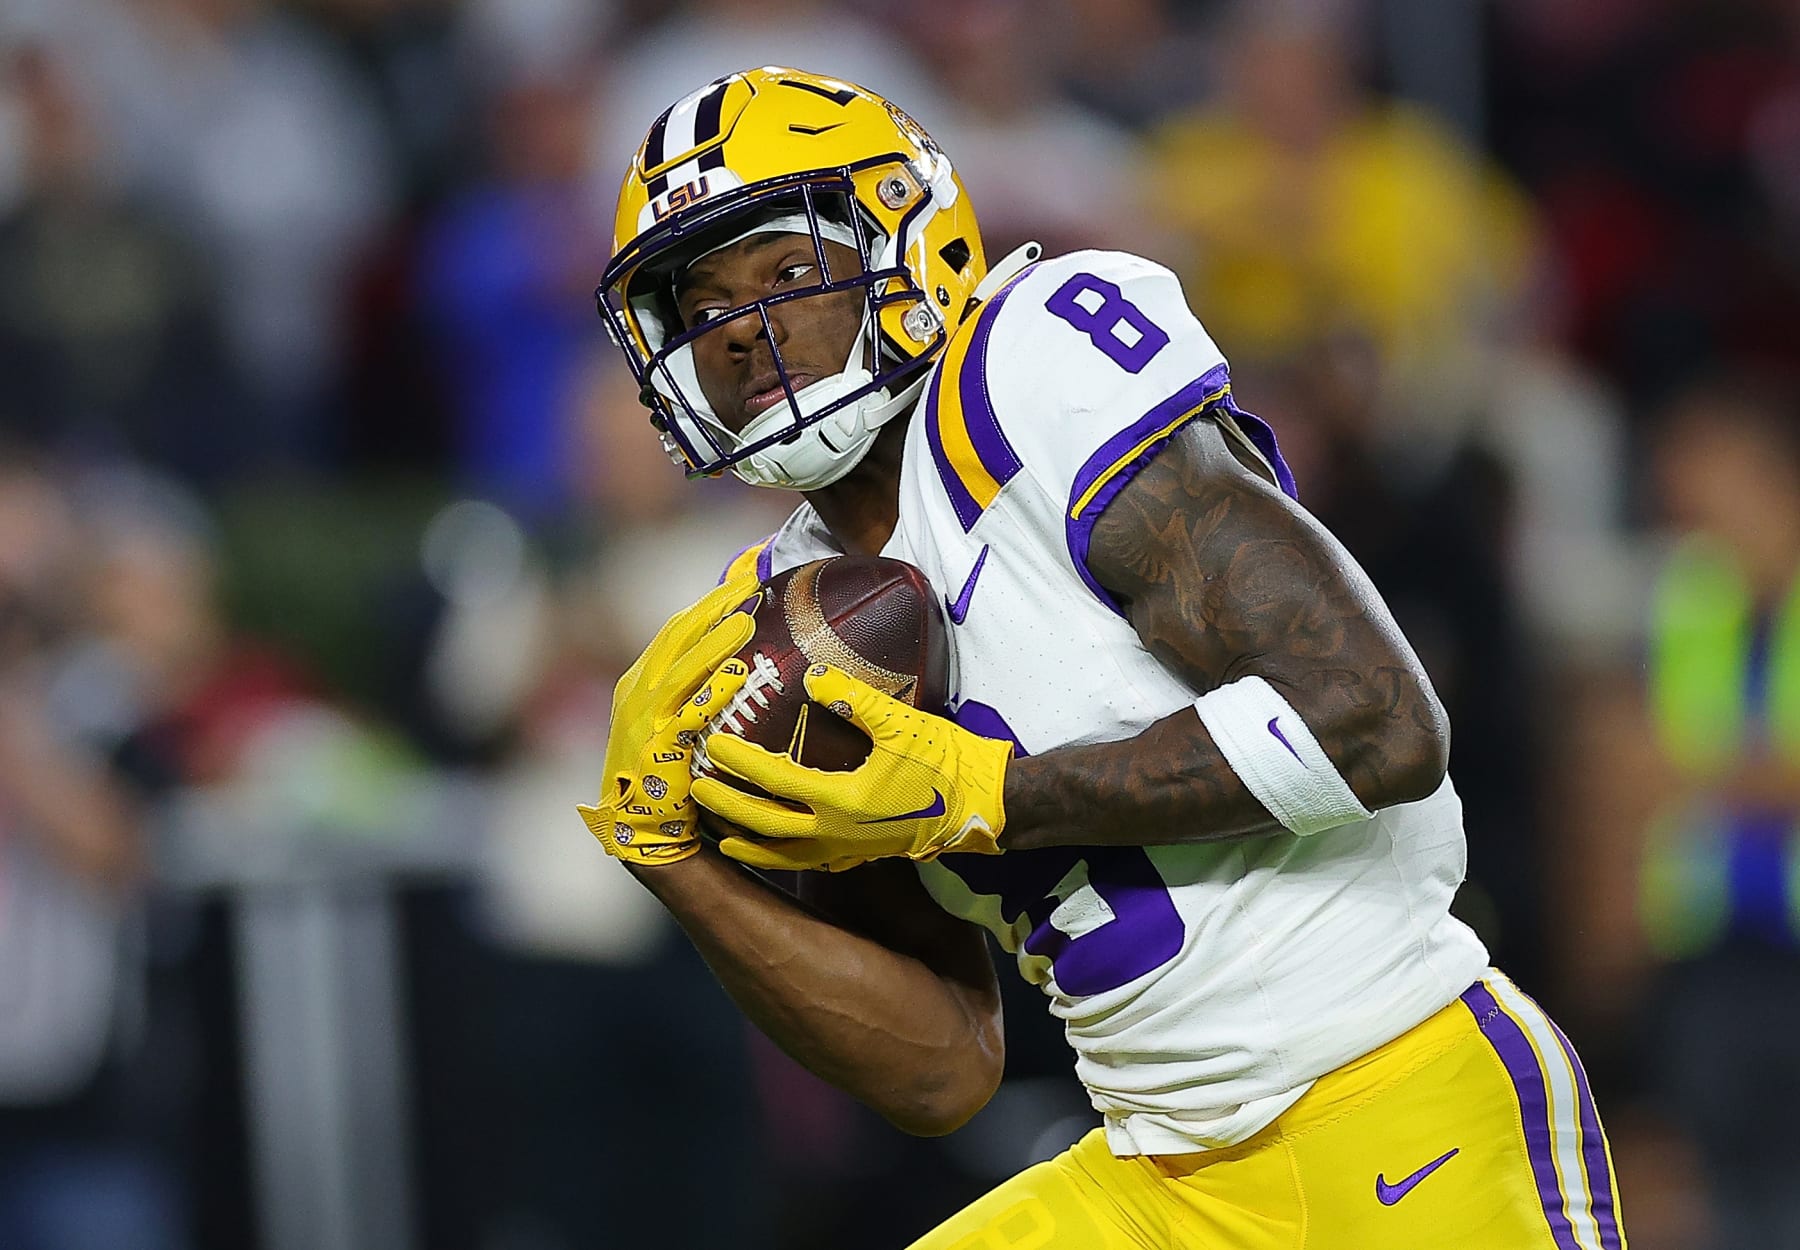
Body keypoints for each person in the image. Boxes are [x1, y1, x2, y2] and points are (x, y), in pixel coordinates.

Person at [582, 67, 1629, 1248]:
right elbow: (943, 1070)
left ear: (901, 240)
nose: (744, 334)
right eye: (705, 305)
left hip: (1390, 1092)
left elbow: (1375, 719)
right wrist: (677, 866)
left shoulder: (1023, 376)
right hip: (1151, 1166)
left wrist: (990, 795)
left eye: (784, 273)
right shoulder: (797, 619)